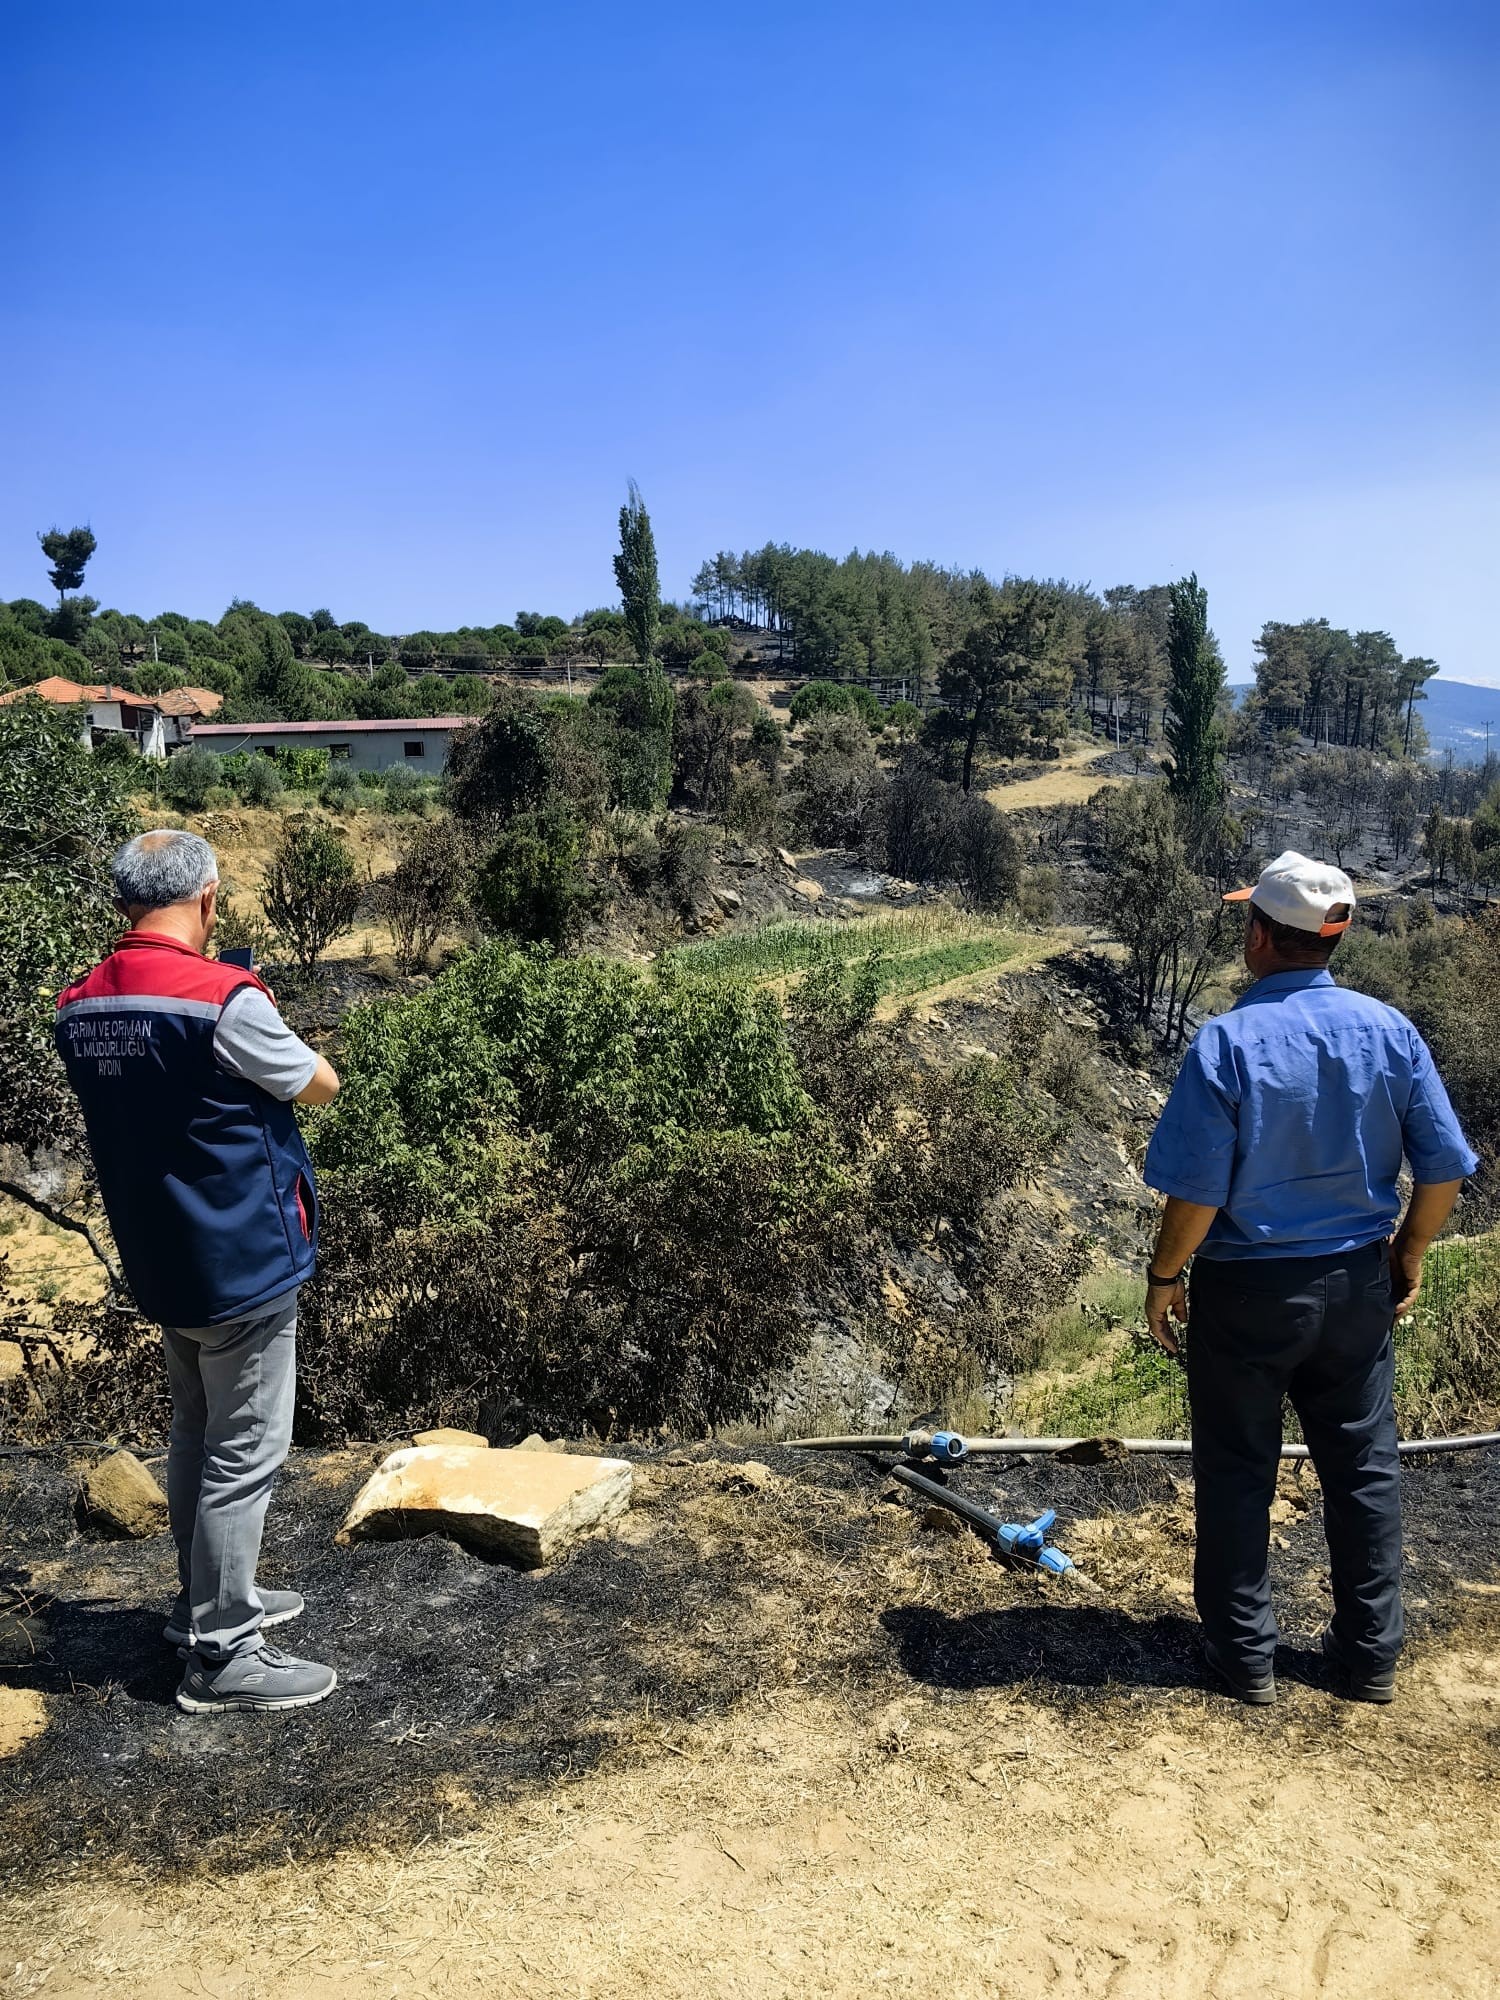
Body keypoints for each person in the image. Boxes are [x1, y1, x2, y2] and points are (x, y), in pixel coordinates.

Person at [1142, 851, 1477, 1708]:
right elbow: (1444, 1171)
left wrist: (1164, 1276)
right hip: (1358, 1283)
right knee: (1364, 1471)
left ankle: (1245, 1657)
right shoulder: (1391, 1031)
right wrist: (1408, 1254)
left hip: (1250, 1293)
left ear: (1259, 935)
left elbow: (1197, 1193)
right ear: (1332, 938)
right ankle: (1369, 1661)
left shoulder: (1224, 1041)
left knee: (1237, 1468)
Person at [55, 829, 342, 1713]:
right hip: (242, 1257)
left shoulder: (78, 1004)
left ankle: (204, 1604)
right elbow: (318, 1084)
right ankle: (223, 1655)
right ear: (210, 898)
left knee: (195, 1433)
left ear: (123, 905)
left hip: (161, 1255)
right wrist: (269, 1019)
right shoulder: (225, 1000)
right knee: (245, 1452)